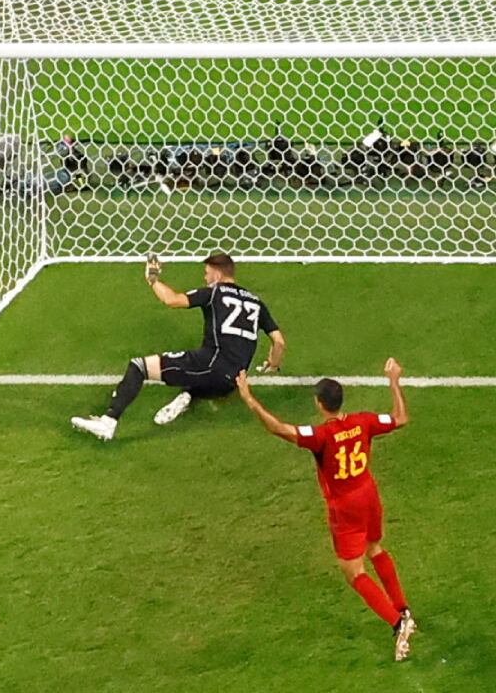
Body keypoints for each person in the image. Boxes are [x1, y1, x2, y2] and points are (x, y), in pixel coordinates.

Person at [236, 359, 417, 661]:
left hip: (345, 506)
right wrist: (394, 380)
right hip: (368, 494)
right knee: (374, 547)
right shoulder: (363, 422)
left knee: (353, 571)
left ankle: (398, 624)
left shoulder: (320, 437)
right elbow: (400, 418)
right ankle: (403, 608)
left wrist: (250, 399)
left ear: (320, 404)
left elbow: (278, 428)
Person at [71, 253, 285, 440]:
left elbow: (172, 300)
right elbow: (279, 342)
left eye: (207, 273)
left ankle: (107, 422)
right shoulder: (256, 301)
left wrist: (152, 278)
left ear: (217, 276)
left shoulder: (213, 292)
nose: (205, 277)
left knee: (139, 366)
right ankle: (188, 396)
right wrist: (272, 364)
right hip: (233, 382)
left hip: (210, 364)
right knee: (202, 376)